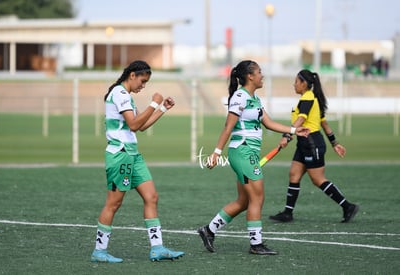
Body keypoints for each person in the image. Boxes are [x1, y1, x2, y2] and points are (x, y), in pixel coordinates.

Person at [197, 60, 310, 255]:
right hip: (243, 151)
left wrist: (294, 130)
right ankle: (256, 244)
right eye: (259, 72)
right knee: (258, 196)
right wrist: (216, 153)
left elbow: (269, 123)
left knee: (244, 201)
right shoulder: (240, 97)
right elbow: (228, 127)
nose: (262, 75)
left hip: (248, 152)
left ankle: (209, 230)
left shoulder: (254, 98)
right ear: (250, 76)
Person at [91, 60, 184, 263]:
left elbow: (140, 126)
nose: (143, 85)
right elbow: (134, 125)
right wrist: (153, 103)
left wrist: (162, 109)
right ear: (132, 75)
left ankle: (157, 248)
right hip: (120, 155)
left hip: (133, 154)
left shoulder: (125, 96)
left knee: (151, 197)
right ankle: (99, 251)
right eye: (143, 81)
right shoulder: (119, 93)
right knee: (113, 203)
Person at [269, 69, 359, 223]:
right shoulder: (309, 98)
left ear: (304, 83)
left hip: (312, 144)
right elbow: (323, 123)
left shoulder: (308, 98)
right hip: (304, 143)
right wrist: (334, 143)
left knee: (318, 179)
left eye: (296, 81)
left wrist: (286, 136)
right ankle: (287, 213)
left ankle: (347, 206)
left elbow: (301, 120)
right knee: (294, 174)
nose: (294, 84)